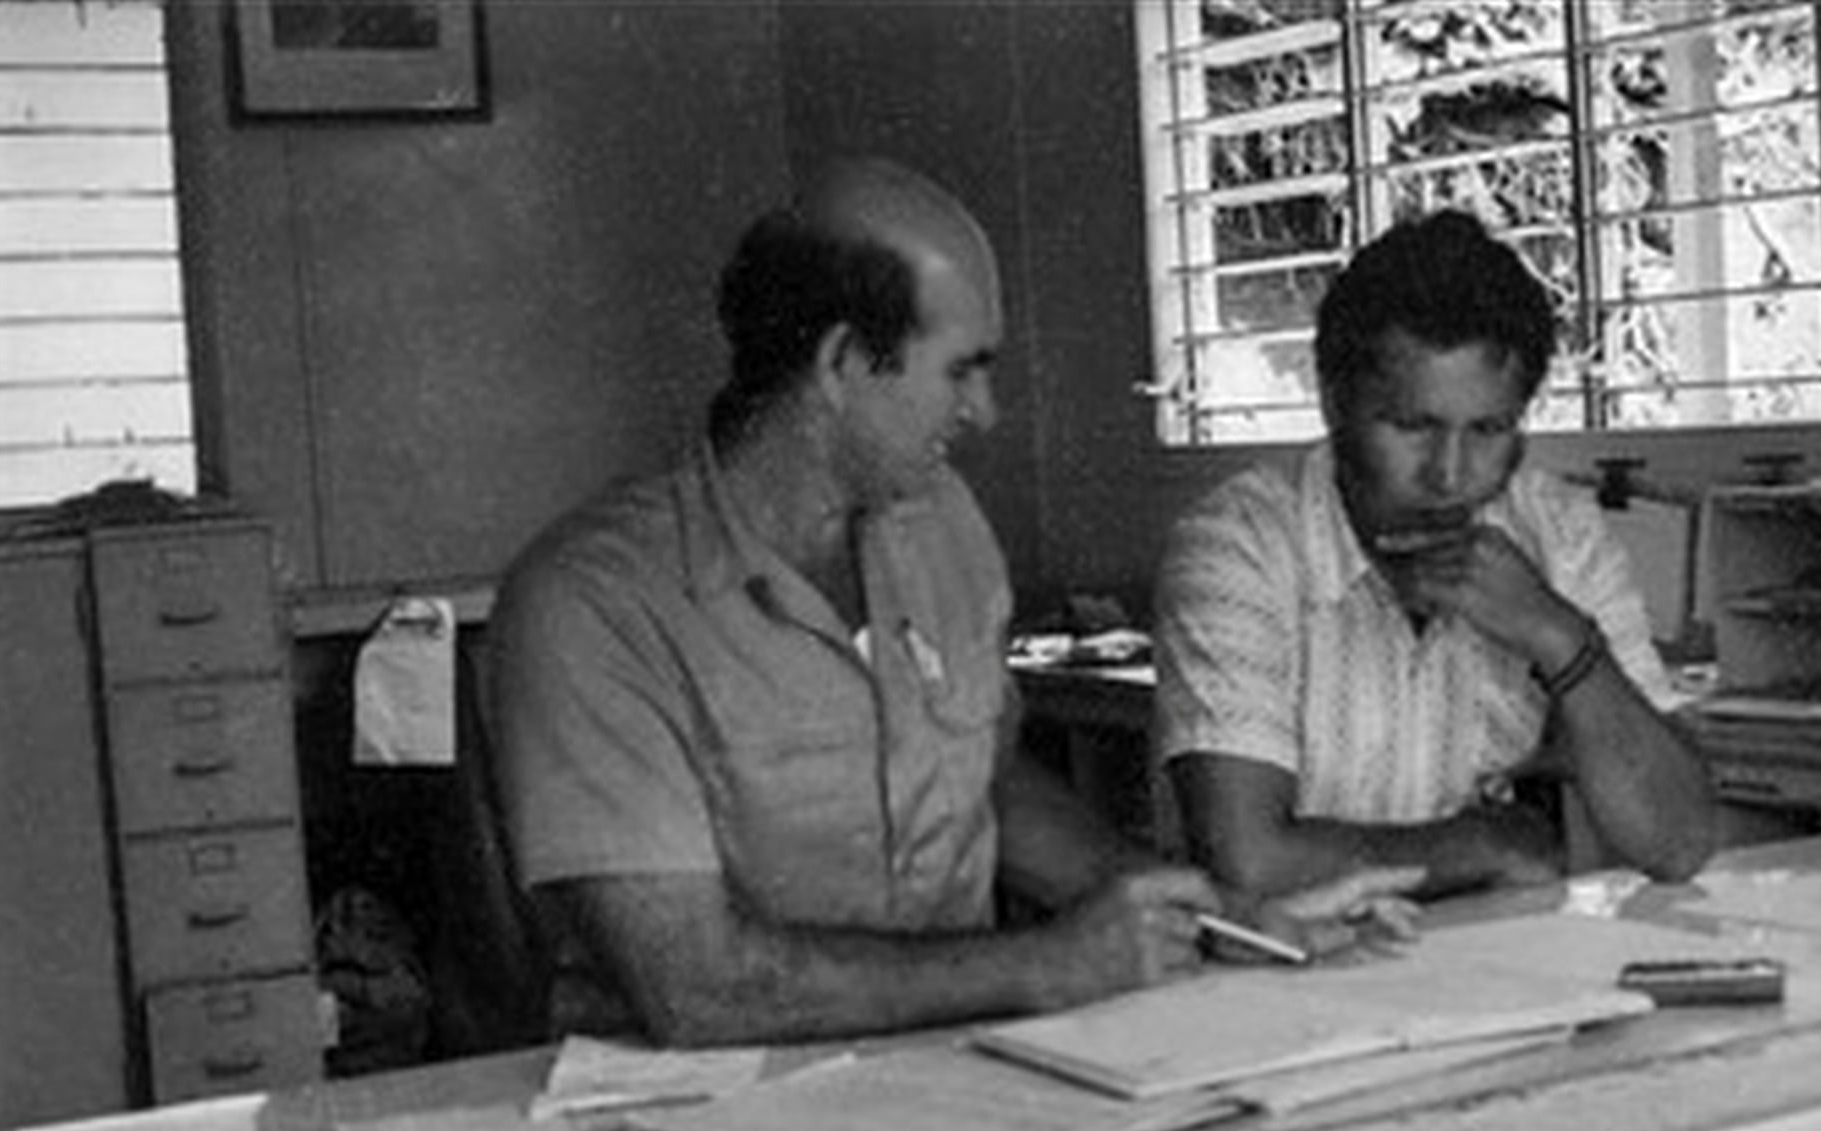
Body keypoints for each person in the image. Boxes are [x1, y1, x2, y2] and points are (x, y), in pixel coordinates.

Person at [488, 158, 1398, 1048]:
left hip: (951, 1070)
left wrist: (1220, 917)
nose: (985, 410)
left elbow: (989, 785)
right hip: (701, 1107)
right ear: (843, 361)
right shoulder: (594, 605)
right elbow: (696, 987)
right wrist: (1044, 966)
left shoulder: (940, 524)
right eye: (961, 370)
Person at [1152, 210, 1718, 906]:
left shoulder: (1557, 531)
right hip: (1289, 963)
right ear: (1332, 401)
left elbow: (1678, 844)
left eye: (1488, 429)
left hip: (1482, 954)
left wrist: (1559, 636)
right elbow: (1250, 862)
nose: (1449, 474)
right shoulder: (1240, 543)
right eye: (1413, 426)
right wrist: (1486, 846)